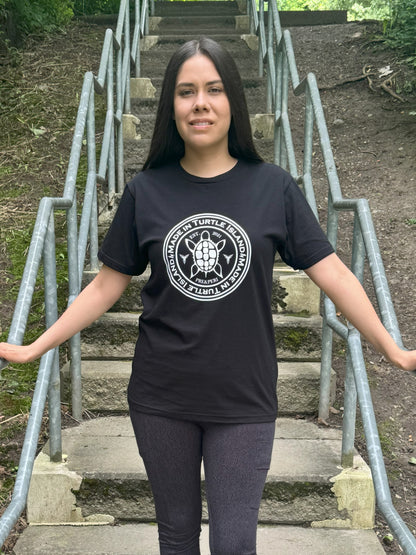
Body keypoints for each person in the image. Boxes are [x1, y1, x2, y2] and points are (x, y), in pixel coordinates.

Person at [0, 37, 415, 555]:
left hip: (244, 397)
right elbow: (107, 284)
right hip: (161, 395)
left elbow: (334, 275)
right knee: (176, 539)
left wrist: (392, 348)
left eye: (214, 89)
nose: (200, 103)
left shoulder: (274, 187)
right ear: (171, 106)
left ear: (233, 101)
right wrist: (35, 346)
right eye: (186, 91)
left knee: (234, 543)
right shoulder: (146, 190)